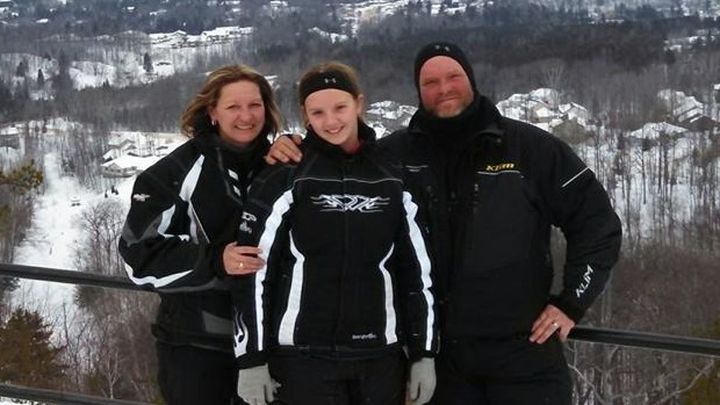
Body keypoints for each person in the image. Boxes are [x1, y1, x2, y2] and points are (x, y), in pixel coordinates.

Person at [266, 43, 622, 405]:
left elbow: (597, 224)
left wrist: (571, 302)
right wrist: (294, 148)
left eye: (453, 76)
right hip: (437, 359)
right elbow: (335, 167)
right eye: (430, 82)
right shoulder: (392, 156)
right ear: (419, 91)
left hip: (524, 351)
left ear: (471, 78)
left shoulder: (530, 148)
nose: (444, 88)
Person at [230, 61, 438, 405]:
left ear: (359, 104)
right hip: (302, 359)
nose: (331, 121)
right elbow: (253, 272)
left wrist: (423, 353)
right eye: (318, 112)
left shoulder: (392, 176)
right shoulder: (286, 175)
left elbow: (417, 273)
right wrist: (251, 358)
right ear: (305, 115)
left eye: (340, 107)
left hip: (379, 358)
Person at [118, 64, 281, 405]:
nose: (246, 116)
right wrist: (216, 260)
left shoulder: (282, 164)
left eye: (255, 105)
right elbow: (138, 256)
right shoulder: (175, 172)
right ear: (212, 112)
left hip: (271, 346)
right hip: (196, 349)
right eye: (233, 106)